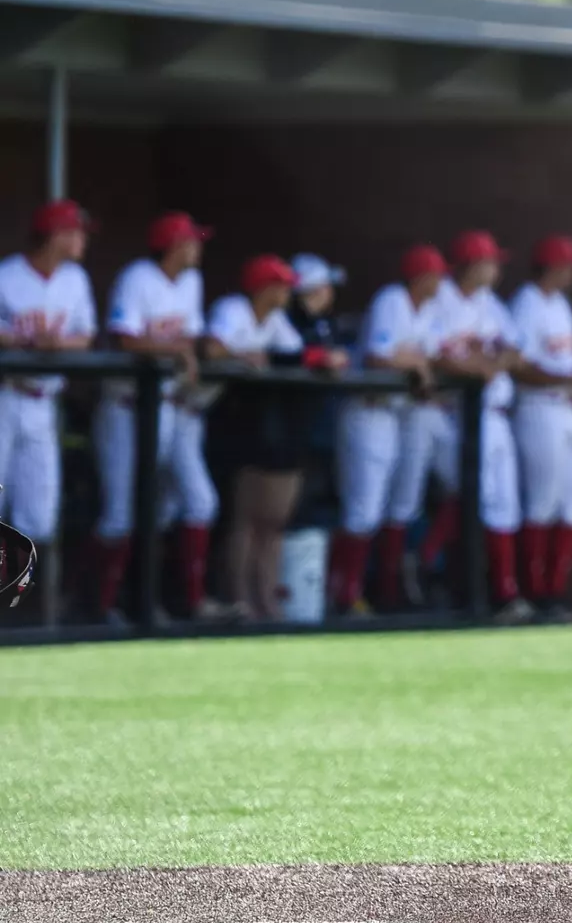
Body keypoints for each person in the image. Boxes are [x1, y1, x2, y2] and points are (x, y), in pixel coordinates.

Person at [94, 211, 226, 624]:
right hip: (125, 409)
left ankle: (162, 601)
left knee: (173, 506)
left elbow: (192, 338)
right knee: (121, 510)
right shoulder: (138, 278)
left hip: (170, 407)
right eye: (192, 241)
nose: (198, 247)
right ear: (174, 245)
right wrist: (174, 350)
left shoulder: (191, 282)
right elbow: (124, 337)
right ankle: (98, 607)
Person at [205, 256, 348, 621]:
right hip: (217, 417)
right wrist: (243, 355)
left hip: (257, 424)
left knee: (271, 524)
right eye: (282, 284)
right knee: (243, 520)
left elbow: (293, 354)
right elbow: (211, 348)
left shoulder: (275, 319)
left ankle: (265, 601)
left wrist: (322, 358)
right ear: (264, 287)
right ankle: (239, 600)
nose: (288, 291)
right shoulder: (234, 308)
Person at [405, 229, 535, 625]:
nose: (495, 269)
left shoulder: (488, 302)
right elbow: (437, 355)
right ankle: (437, 570)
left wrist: (489, 364)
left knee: (500, 502)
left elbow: (515, 348)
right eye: (490, 261)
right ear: (473, 265)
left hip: (493, 412)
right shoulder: (441, 298)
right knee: (470, 494)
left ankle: (498, 591)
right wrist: (479, 366)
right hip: (450, 415)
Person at [327, 244, 443, 616]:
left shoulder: (429, 309)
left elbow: (433, 357)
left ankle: (383, 593)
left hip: (397, 414)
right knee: (364, 508)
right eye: (436, 274)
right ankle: (344, 597)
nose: (441, 281)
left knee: (394, 506)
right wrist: (416, 364)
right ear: (421, 277)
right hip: (367, 408)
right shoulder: (391, 300)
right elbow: (379, 357)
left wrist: (420, 366)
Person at [0, 200, 98, 585]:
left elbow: (86, 338)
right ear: (56, 235)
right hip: (4, 395)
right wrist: (17, 337)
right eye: (76, 233)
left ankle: (17, 610)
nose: (82, 241)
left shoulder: (75, 280)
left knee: (39, 517)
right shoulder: (7, 274)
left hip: (43, 402)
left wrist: (55, 343)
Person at [510, 234, 572, 623]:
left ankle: (555, 591)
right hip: (537, 407)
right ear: (551, 267)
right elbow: (520, 366)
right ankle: (534, 592)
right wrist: (563, 380)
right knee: (542, 501)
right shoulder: (526, 303)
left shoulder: (559, 304)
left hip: (565, 408)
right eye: (567, 266)